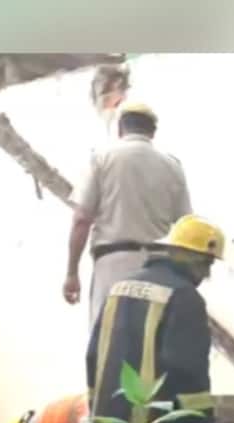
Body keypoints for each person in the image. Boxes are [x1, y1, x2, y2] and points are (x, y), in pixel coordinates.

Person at [86, 214, 223, 423]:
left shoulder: (118, 287)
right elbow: (187, 369)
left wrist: (97, 412)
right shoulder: (184, 296)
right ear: (194, 259)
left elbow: (93, 355)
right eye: (207, 265)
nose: (205, 275)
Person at [64, 100, 192, 329]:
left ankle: (118, 367)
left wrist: (72, 273)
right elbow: (186, 227)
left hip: (113, 267)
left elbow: (82, 219)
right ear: (152, 131)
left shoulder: (102, 158)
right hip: (157, 269)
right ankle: (132, 367)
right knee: (147, 343)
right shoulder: (173, 166)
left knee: (110, 342)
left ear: (120, 128)